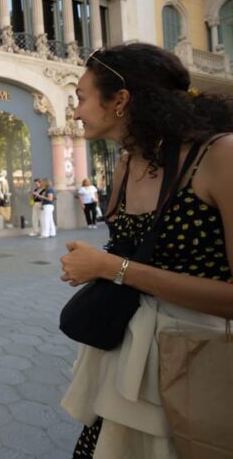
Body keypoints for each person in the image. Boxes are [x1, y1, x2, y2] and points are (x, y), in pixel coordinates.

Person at [59, 42, 233, 457]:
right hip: (124, 370)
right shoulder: (125, 165)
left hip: (198, 364)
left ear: (120, 100)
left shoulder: (219, 156)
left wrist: (109, 267)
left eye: (82, 98)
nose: (76, 110)